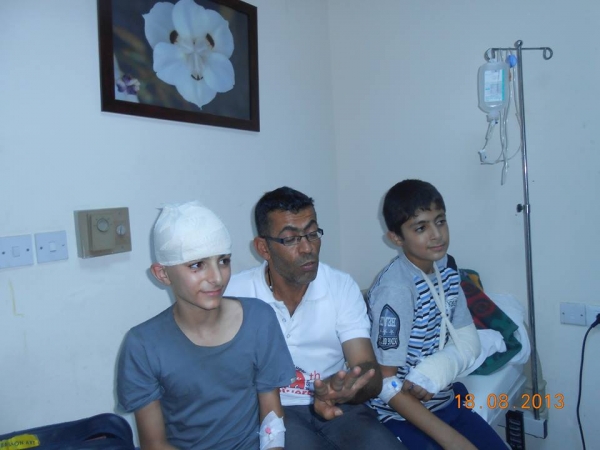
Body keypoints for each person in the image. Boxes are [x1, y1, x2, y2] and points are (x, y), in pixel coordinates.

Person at [225, 187, 406, 450]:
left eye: (312, 234)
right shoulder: (236, 293)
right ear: (263, 248)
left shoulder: (340, 286)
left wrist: (347, 388)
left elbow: (369, 370)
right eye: (290, 239)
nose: (308, 248)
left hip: (338, 405)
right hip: (272, 408)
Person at [117, 201, 296, 450]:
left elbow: (272, 418)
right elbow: (154, 444)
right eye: (196, 265)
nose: (216, 277)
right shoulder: (143, 345)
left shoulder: (259, 319)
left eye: (223, 261)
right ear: (162, 274)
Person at [367, 179, 508, 449]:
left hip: (444, 401)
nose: (436, 235)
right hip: (399, 415)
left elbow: (466, 338)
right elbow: (384, 381)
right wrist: (450, 439)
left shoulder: (446, 268)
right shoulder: (397, 289)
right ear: (396, 238)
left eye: (440, 221)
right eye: (421, 227)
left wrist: (438, 371)